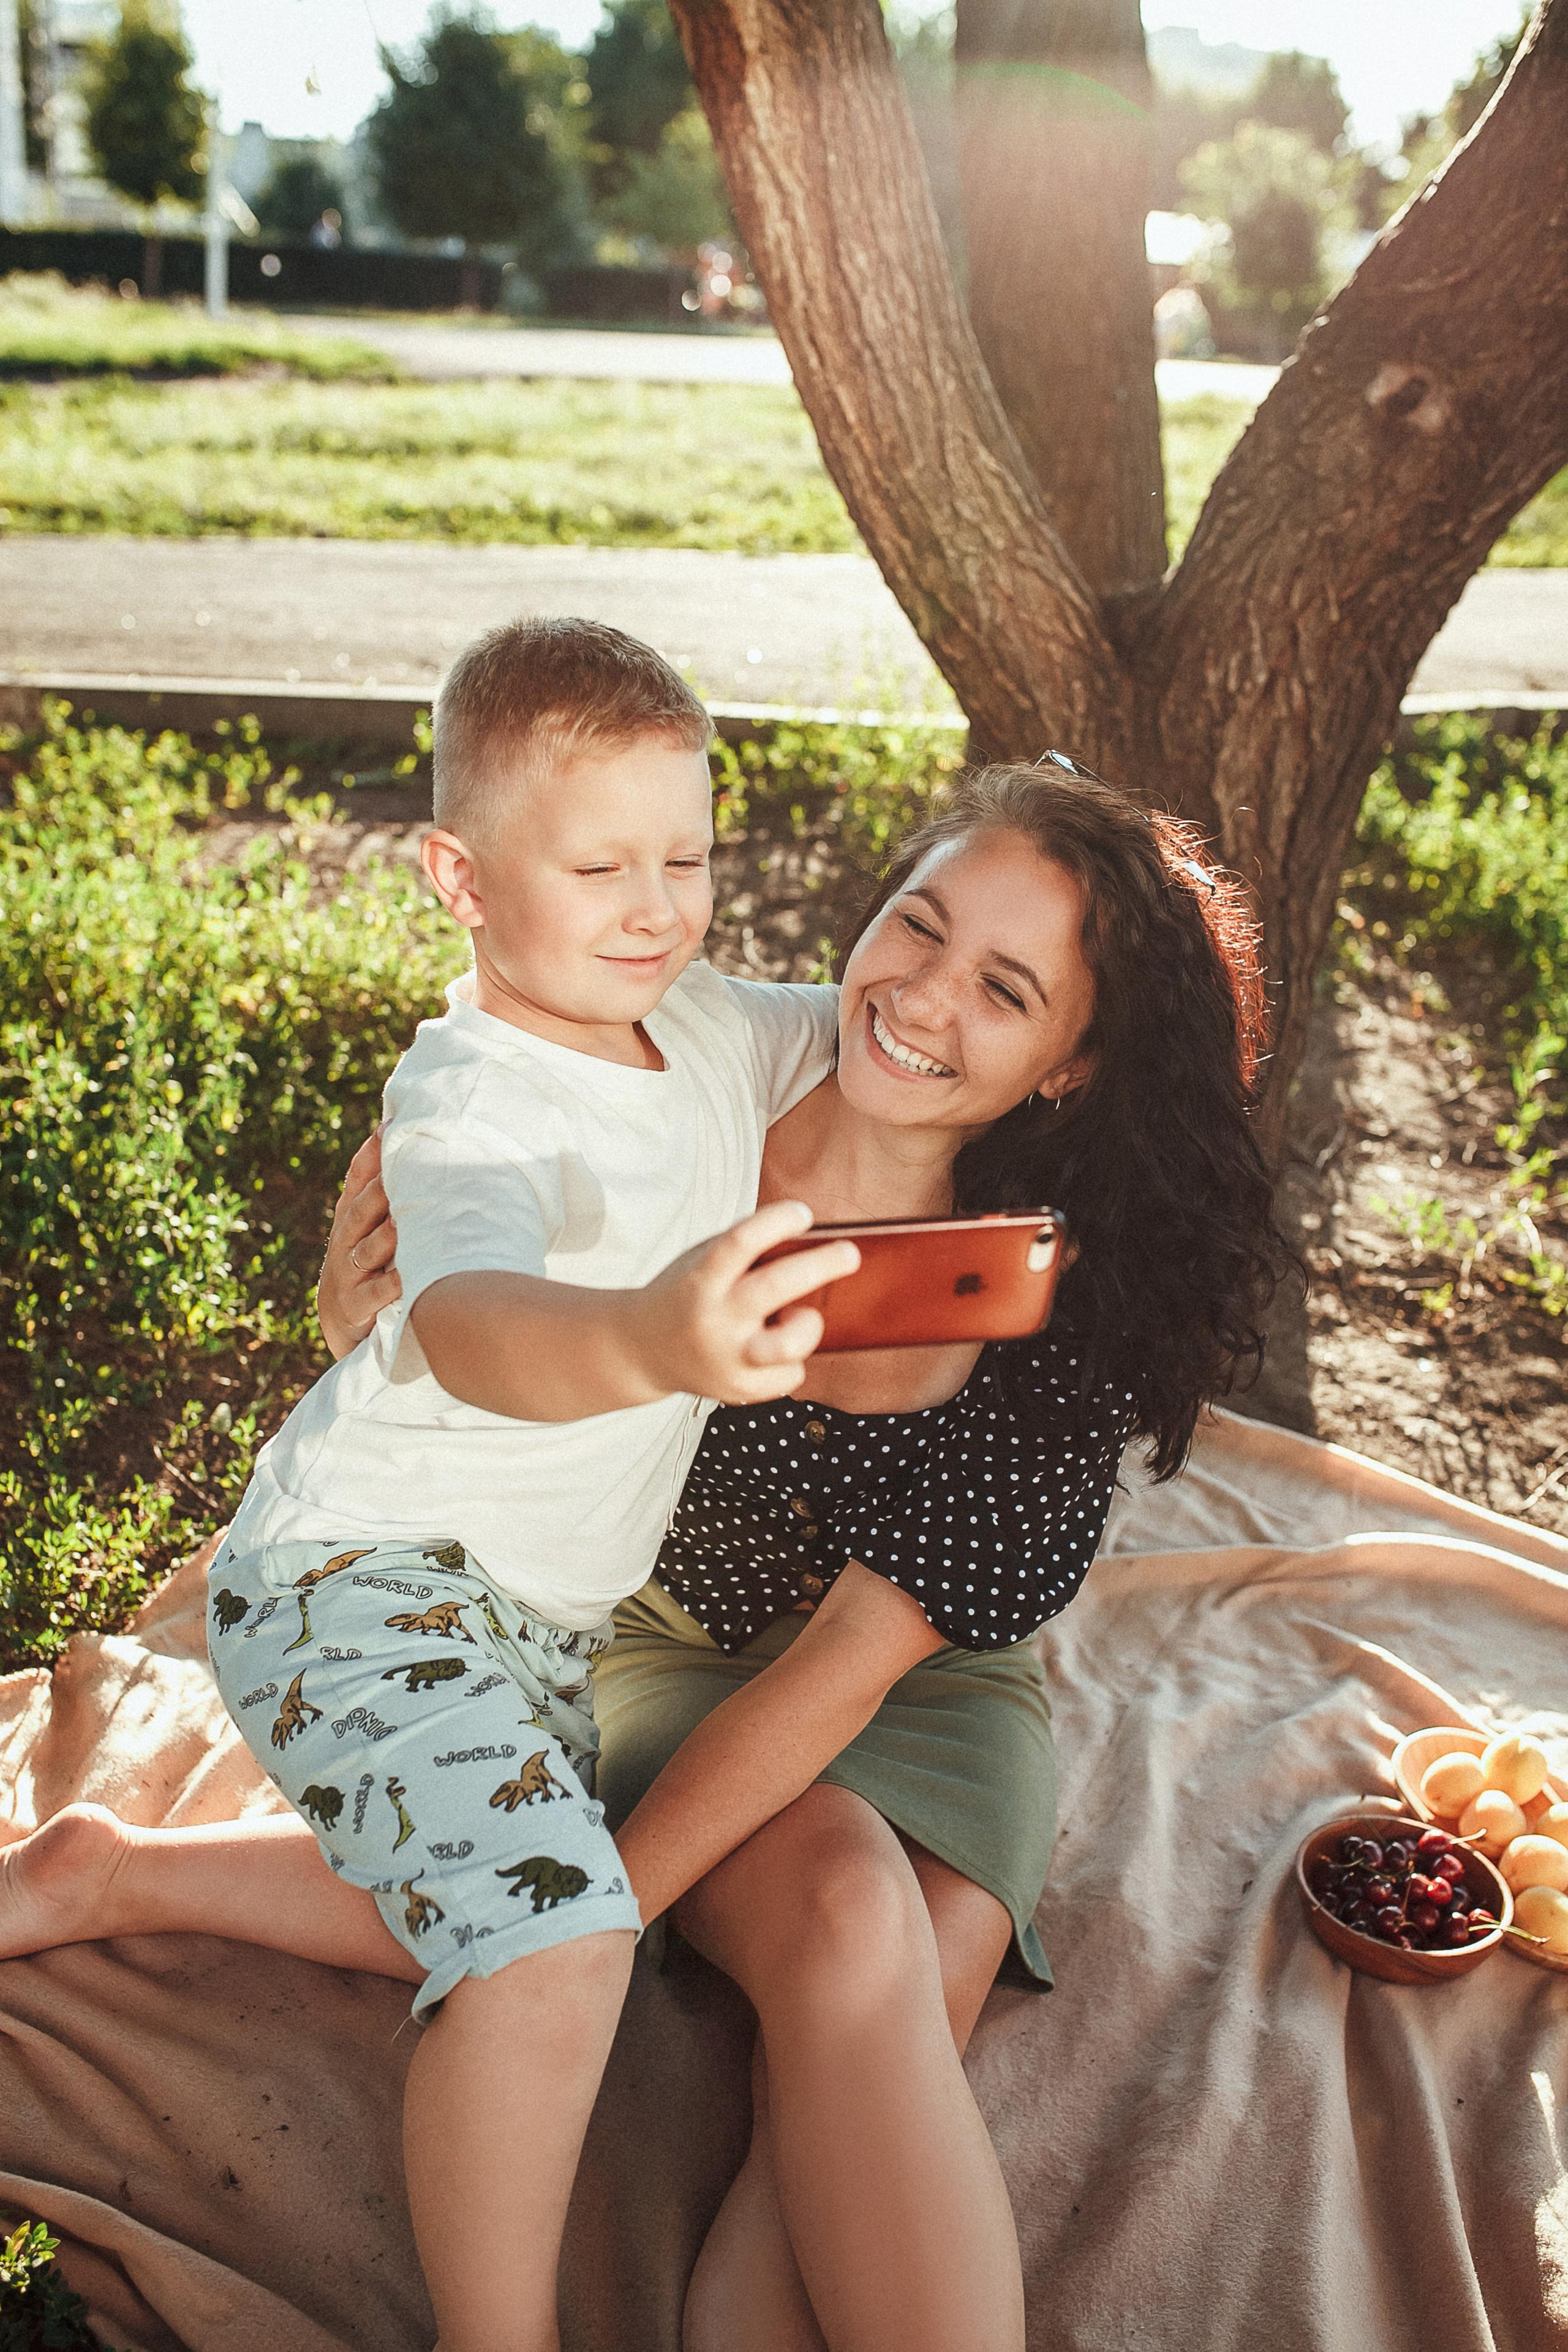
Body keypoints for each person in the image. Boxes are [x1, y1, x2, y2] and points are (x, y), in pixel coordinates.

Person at [1, 755, 1288, 2352]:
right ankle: (112, 1868)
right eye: (919, 925)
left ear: (1073, 1063)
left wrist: (596, 1914)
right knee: (844, 1919)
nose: (924, 997)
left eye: (1006, 989)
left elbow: (840, 1679)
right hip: (629, 1625)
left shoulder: (1053, 1297)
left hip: (907, 1681)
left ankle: (140, 1873)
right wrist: (374, 1323)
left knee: (858, 2036)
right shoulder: (663, 1084)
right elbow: (458, 1298)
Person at [184, 611, 861, 2352]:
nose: (660, 905)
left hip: (530, 1615)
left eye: (691, 856)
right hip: (360, 1573)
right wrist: (651, 1337)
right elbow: (472, 1315)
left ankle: (110, 1874)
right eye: (602, 865)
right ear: (460, 879)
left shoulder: (703, 1025)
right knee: (561, 1941)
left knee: (488, 1876)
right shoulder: (472, 1098)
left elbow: (878, 1030)